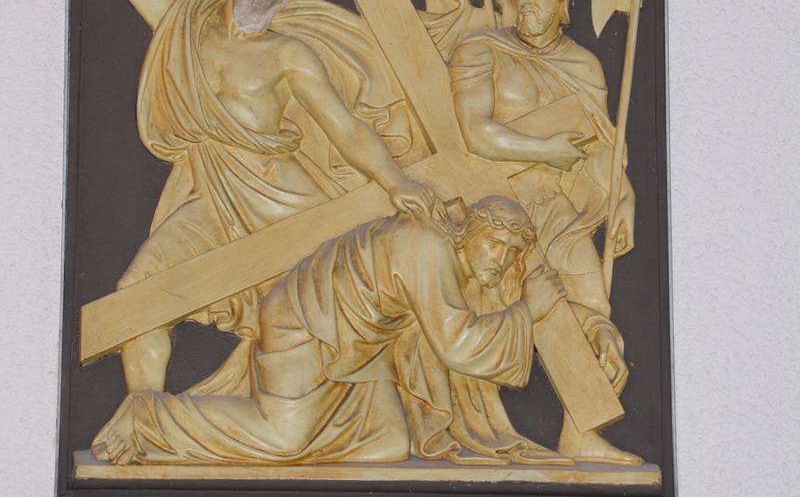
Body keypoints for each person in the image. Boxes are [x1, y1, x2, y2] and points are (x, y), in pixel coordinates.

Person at [108, 0, 435, 393]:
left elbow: (344, 127)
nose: (266, 0)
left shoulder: (287, 53)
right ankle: (145, 413)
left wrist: (395, 181)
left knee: (347, 300)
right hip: (211, 202)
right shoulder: (186, 29)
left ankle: (373, 403)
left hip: (287, 202)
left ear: (282, 4)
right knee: (137, 296)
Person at [91, 197, 572, 468]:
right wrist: (529, 310)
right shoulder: (427, 246)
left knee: (388, 445)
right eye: (495, 244)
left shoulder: (441, 250)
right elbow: (457, 344)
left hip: (359, 346)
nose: (501, 259)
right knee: (282, 439)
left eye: (513, 252)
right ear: (468, 234)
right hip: (305, 323)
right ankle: (148, 417)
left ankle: (304, 449)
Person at [449, 0, 640, 464]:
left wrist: (624, 196)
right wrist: (543, 150)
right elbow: (474, 132)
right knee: (522, 308)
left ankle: (581, 432)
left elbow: (601, 143)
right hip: (494, 209)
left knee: (593, 306)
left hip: (555, 205)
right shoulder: (480, 49)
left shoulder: (583, 64)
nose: (524, 1)